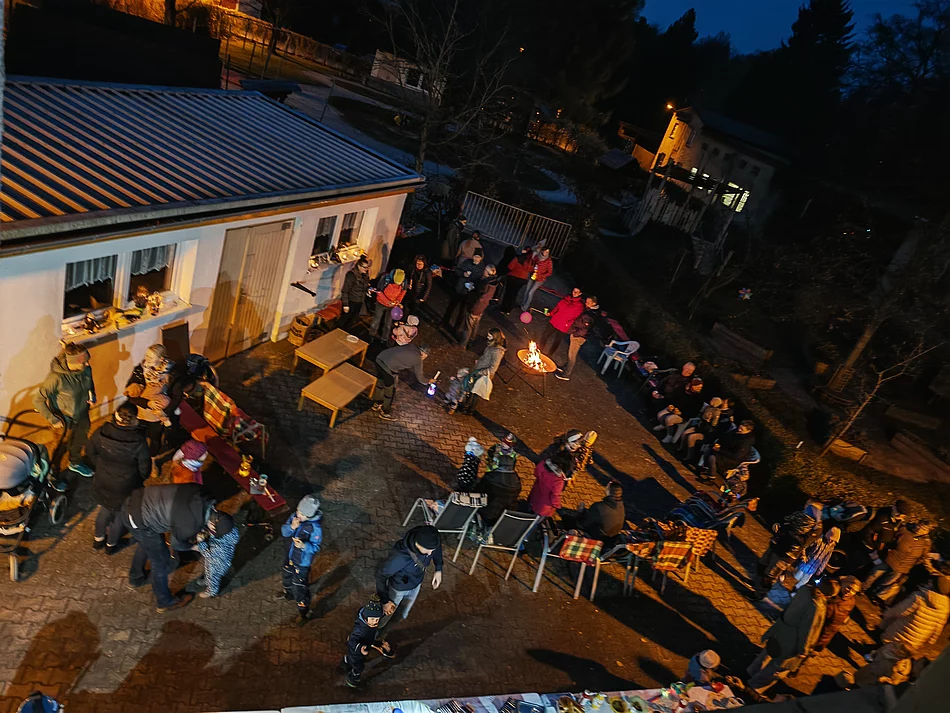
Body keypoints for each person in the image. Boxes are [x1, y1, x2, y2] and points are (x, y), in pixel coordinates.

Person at [125, 483, 213, 612]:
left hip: (136, 500)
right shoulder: (190, 523)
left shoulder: (200, 491)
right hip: (140, 519)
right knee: (160, 562)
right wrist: (195, 547)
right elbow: (176, 544)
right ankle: (165, 602)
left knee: (147, 543)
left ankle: (136, 577)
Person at [745, 579, 835, 693]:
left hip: (782, 627)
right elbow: (808, 630)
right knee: (779, 666)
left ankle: (752, 671)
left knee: (769, 650)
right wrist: (804, 650)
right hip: (792, 637)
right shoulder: (817, 606)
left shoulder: (805, 589)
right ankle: (755, 685)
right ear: (830, 595)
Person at [87, 402, 150, 554]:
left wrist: (101, 466)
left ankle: (98, 539)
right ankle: (111, 545)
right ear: (134, 418)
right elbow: (145, 468)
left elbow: (90, 451)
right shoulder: (139, 441)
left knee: (104, 510)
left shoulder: (102, 432)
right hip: (126, 486)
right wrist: (137, 479)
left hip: (103, 481)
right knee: (120, 516)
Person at [374, 525, 444, 657]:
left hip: (415, 585)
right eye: (428, 551)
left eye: (431, 550)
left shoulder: (430, 542)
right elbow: (381, 575)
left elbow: (437, 548)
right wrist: (385, 600)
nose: (430, 554)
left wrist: (438, 569)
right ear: (418, 544)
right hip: (398, 589)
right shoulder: (400, 556)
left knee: (401, 615)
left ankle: (381, 634)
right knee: (383, 617)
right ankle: (370, 638)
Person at [33, 342, 96, 476]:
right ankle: (53, 474)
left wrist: (92, 396)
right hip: (64, 419)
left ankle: (75, 463)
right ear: (72, 362)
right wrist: (53, 419)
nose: (87, 365)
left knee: (79, 441)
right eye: (83, 362)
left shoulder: (86, 370)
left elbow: (90, 384)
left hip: (82, 414)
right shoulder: (56, 378)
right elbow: (38, 400)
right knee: (61, 447)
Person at [878, 574, 950, 659]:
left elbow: (900, 611)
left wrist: (887, 614)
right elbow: (939, 625)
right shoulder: (946, 607)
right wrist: (932, 639)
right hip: (916, 641)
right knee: (898, 654)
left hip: (900, 631)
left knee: (887, 647)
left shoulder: (920, 597)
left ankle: (875, 657)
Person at [124, 344, 177, 456]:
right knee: (138, 435)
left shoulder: (171, 373)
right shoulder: (140, 370)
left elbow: (176, 396)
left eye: (151, 357)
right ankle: (138, 455)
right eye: (146, 356)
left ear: (161, 359)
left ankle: (152, 459)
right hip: (141, 409)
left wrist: (165, 408)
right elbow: (130, 395)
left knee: (155, 437)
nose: (146, 359)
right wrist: (147, 403)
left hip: (158, 413)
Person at [865, 520, 935, 604]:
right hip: (890, 558)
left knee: (887, 582)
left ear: (927, 531)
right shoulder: (905, 529)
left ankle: (874, 594)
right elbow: (892, 539)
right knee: (874, 574)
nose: (919, 529)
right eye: (919, 526)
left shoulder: (926, 543)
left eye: (923, 529)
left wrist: (911, 562)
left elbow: (923, 557)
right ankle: (863, 587)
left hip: (903, 566)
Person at [279, 495, 323, 623]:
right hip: (290, 556)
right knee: (286, 574)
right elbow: (284, 531)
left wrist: (304, 545)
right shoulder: (294, 517)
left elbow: (316, 547)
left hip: (302, 562)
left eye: (302, 514)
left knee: (299, 586)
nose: (299, 515)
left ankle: (303, 611)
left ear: (310, 516)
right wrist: (291, 527)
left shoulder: (315, 529)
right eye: (298, 511)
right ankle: (288, 592)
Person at [757, 509, 820, 594]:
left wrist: (789, 531)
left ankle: (759, 594)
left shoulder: (816, 527)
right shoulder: (800, 515)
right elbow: (785, 519)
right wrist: (779, 525)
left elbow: (803, 542)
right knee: (762, 566)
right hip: (777, 545)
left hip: (787, 554)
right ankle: (755, 584)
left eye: (810, 506)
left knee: (770, 576)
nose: (806, 506)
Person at [372, 343, 432, 420]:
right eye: (425, 356)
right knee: (390, 390)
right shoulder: (418, 359)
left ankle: (377, 403)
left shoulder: (411, 346)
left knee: (381, 382)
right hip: (388, 367)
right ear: (423, 353)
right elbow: (420, 379)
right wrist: (428, 381)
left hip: (380, 359)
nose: (424, 358)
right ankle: (385, 412)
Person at [475, 433, 522, 527]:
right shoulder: (517, 483)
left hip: (488, 512)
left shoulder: (490, 479)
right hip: (504, 516)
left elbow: (478, 492)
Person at [457, 328, 506, 415]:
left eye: (489, 335)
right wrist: (479, 362)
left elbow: (493, 368)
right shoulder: (491, 345)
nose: (487, 336)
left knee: (475, 393)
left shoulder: (497, 351)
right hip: (478, 370)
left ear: (495, 337)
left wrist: (480, 372)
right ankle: (466, 406)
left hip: (482, 374)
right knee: (471, 390)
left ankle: (469, 409)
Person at [555, 296, 601, 381]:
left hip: (579, 337)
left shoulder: (590, 315)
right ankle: (566, 367)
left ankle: (566, 374)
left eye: (588, 302)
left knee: (572, 355)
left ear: (594, 304)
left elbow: (584, 330)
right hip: (578, 334)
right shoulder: (591, 311)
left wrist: (575, 334)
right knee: (570, 354)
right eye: (586, 301)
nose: (586, 303)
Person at [342, 595, 385, 687]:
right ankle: (353, 678)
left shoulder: (368, 624)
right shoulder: (361, 630)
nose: (375, 622)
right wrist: (360, 648)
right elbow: (353, 641)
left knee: (351, 658)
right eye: (373, 619)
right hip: (357, 652)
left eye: (377, 619)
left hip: (359, 648)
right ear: (366, 617)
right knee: (359, 666)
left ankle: (346, 662)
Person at [196, 509, 239, 599]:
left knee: (213, 576)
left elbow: (207, 553)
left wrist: (201, 542)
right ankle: (208, 580)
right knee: (211, 573)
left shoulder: (218, 548)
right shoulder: (231, 530)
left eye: (210, 522)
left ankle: (211, 591)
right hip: (225, 558)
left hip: (216, 563)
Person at [813, 576, 861, 652]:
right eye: (848, 587)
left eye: (853, 591)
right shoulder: (829, 586)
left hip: (815, 629)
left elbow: (832, 627)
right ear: (843, 583)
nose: (849, 592)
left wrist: (820, 644)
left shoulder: (847, 604)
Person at [443, 251, 484, 333]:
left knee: (462, 311)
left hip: (468, 292)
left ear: (481, 258)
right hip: (459, 288)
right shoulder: (467, 262)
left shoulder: (481, 267)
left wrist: (473, 285)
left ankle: (456, 328)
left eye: (478, 257)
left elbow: (479, 280)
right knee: (451, 306)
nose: (476, 259)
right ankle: (444, 322)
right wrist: (463, 273)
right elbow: (457, 270)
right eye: (475, 256)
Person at [654, 377, 705, 443]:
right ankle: (664, 425)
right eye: (697, 387)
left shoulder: (699, 398)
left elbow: (693, 412)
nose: (698, 389)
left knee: (669, 419)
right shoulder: (682, 389)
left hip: (684, 415)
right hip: (675, 409)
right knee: (660, 414)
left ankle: (670, 435)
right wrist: (671, 405)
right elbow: (674, 398)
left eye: (700, 387)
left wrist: (681, 413)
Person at [459, 264, 498, 348]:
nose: (483, 271)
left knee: (468, 326)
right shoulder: (493, 283)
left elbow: (479, 295)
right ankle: (471, 340)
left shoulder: (485, 283)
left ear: (487, 273)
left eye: (485, 270)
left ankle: (463, 343)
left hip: (475, 306)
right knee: (475, 324)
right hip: (482, 307)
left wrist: (471, 289)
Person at [540, 287, 585, 360]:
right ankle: (539, 351)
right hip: (555, 320)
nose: (574, 293)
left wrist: (569, 324)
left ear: (580, 294)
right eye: (574, 291)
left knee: (556, 341)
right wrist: (551, 313)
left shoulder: (580, 305)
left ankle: (549, 356)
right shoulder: (566, 298)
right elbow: (557, 307)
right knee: (545, 335)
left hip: (564, 325)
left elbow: (576, 318)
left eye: (576, 292)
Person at [527, 451, 574, 518]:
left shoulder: (543, 463)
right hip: (544, 507)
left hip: (534, 495)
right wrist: (557, 505)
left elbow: (536, 473)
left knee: (529, 510)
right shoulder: (558, 481)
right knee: (535, 521)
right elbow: (554, 496)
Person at [371, 268, 407, 340]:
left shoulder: (404, 282)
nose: (397, 284)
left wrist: (398, 301)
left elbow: (403, 292)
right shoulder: (385, 279)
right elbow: (379, 291)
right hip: (381, 303)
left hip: (392, 306)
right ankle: (371, 335)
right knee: (376, 321)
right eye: (396, 282)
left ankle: (384, 338)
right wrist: (387, 302)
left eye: (399, 283)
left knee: (388, 323)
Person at [340, 256, 372, 331]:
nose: (366, 269)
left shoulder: (365, 275)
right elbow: (345, 290)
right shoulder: (351, 275)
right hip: (351, 301)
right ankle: (337, 332)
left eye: (367, 267)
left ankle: (345, 332)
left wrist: (368, 290)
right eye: (364, 267)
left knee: (353, 320)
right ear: (358, 266)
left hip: (359, 301)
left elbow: (365, 286)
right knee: (344, 320)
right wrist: (345, 304)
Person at [520, 245, 554, 312]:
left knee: (530, 292)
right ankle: (522, 304)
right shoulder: (537, 257)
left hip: (540, 279)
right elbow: (532, 262)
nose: (546, 253)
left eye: (548, 252)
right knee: (527, 290)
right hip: (532, 275)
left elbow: (549, 272)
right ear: (543, 250)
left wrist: (541, 275)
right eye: (545, 251)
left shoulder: (549, 261)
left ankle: (525, 307)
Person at [502, 247, 533, 314]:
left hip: (513, 277)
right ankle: (509, 310)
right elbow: (531, 269)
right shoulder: (530, 262)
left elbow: (510, 267)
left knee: (508, 293)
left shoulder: (517, 258)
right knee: (514, 294)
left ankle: (504, 308)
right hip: (522, 280)